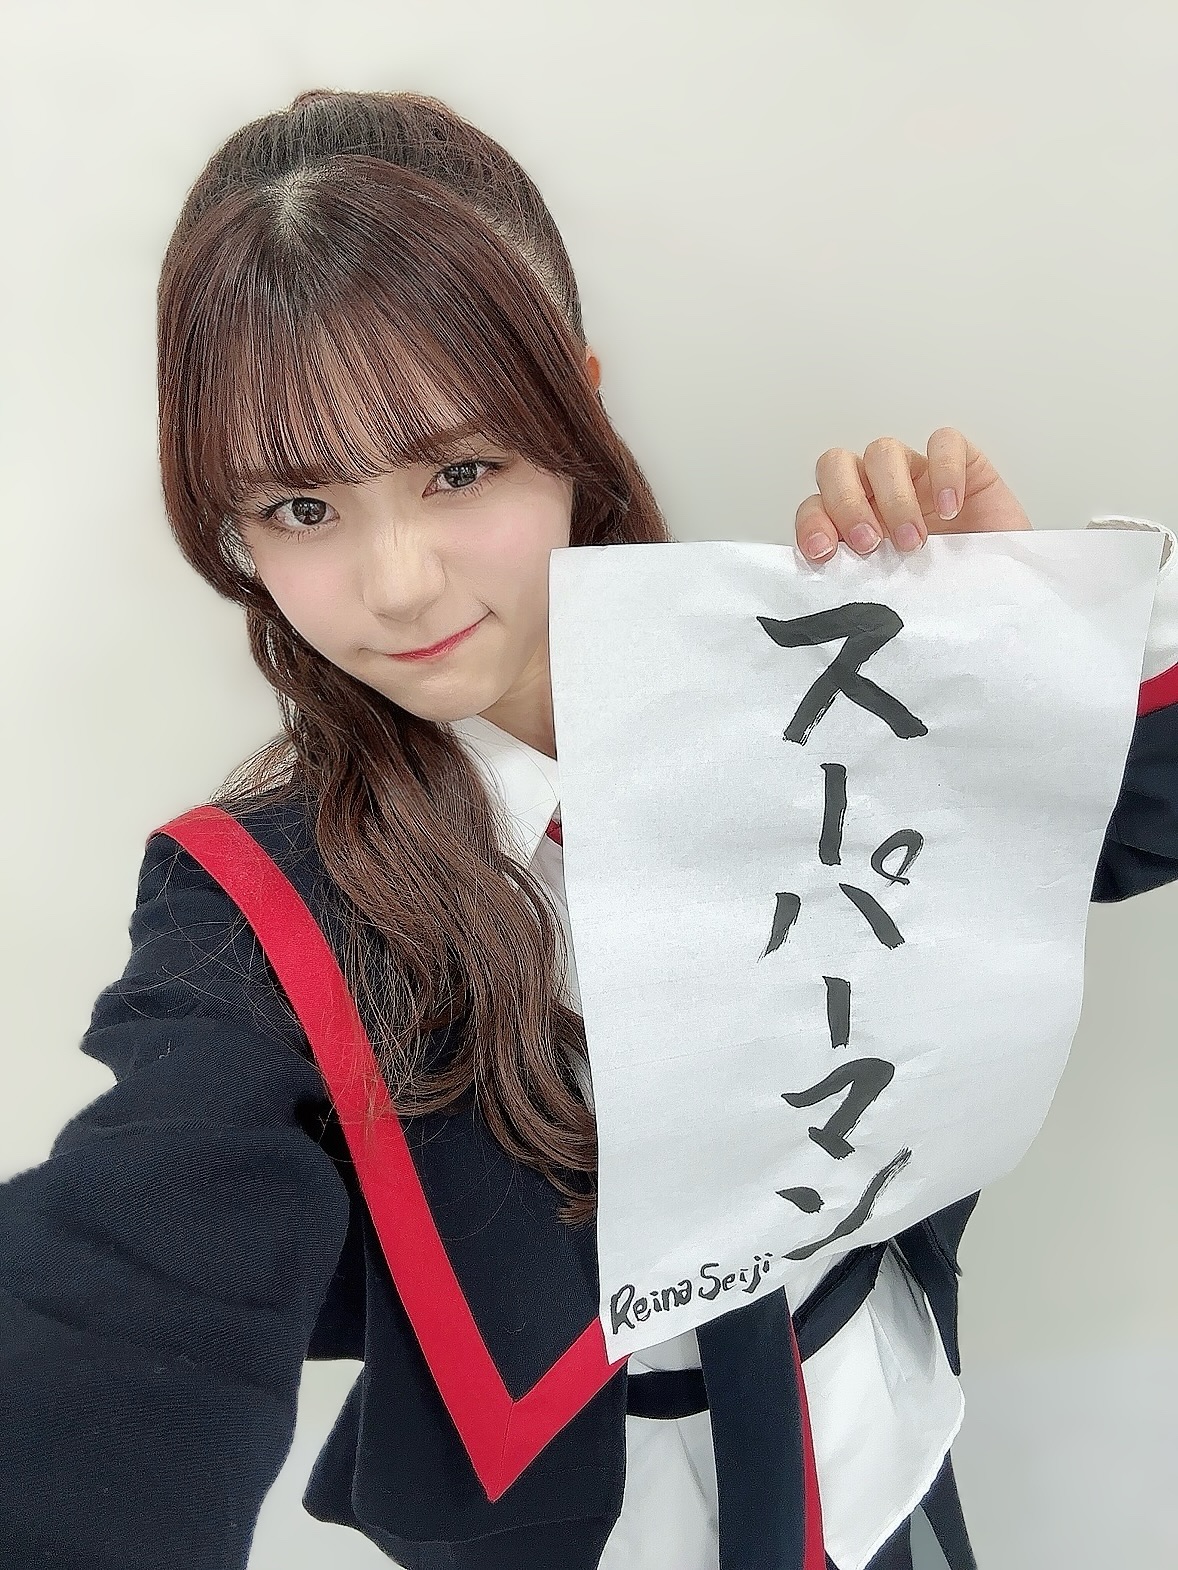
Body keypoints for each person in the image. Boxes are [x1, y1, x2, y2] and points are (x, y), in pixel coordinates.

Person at [1, 86, 1175, 1570]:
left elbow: (1125, 829)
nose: (399, 583)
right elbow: (133, 1267)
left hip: (878, 1455)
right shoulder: (258, 901)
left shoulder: (799, 688)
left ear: (576, 412)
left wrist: (1034, 665)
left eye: (459, 469)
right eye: (300, 506)